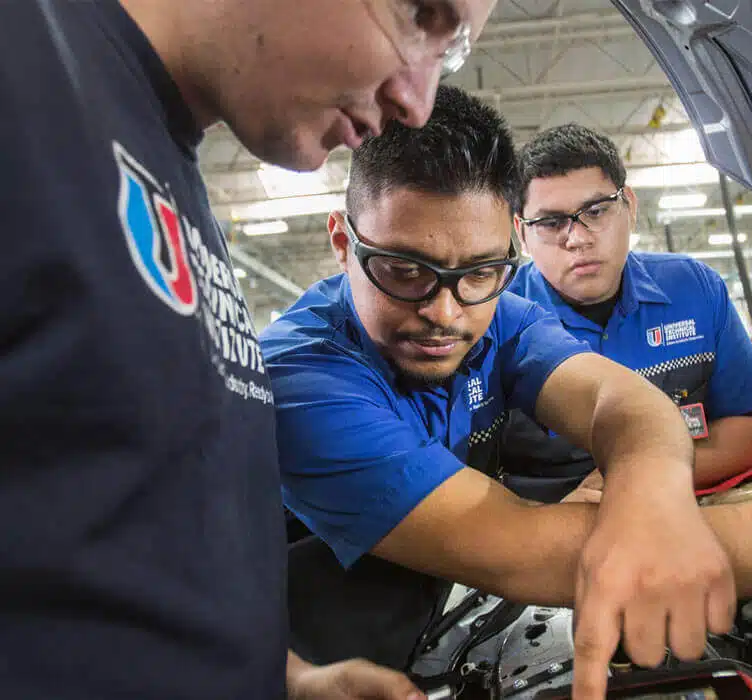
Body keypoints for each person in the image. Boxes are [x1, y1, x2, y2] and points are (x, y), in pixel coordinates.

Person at [261, 86, 752, 700]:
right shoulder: (303, 381)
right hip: (339, 654)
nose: (444, 311)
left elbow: (625, 405)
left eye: (478, 272)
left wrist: (648, 495)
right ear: (343, 243)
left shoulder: (502, 312)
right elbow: (519, 554)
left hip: (450, 607)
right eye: (403, 271)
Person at [0, 0, 499, 698]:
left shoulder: (154, 149)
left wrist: (290, 680)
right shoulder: (25, 74)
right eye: (419, 13)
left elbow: (121, 546)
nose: (418, 102)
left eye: (450, 52)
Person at [501, 124, 752, 503]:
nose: (578, 238)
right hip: (544, 524)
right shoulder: (493, 323)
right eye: (550, 223)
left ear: (629, 206)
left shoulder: (694, 290)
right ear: (522, 233)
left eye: (595, 211)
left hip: (678, 497)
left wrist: (640, 478)